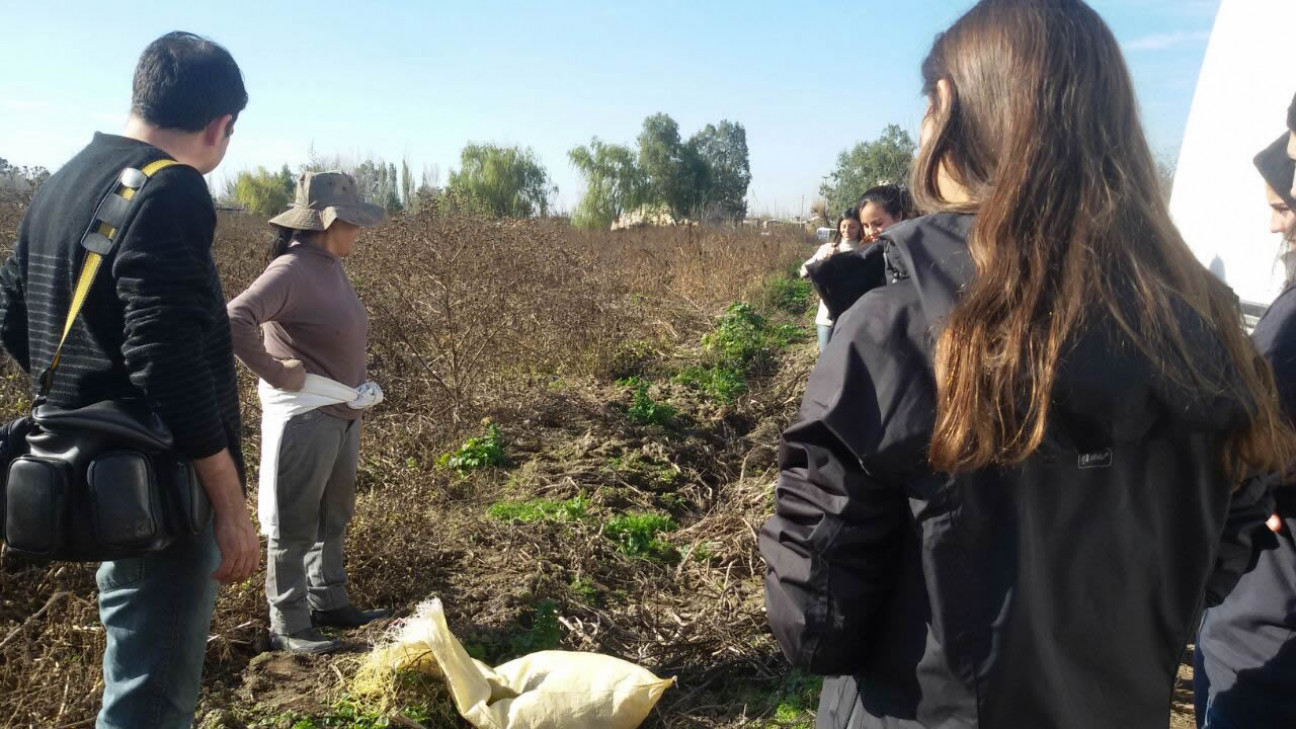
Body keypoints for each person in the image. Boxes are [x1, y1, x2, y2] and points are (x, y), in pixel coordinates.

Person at [758, 2, 1294, 728]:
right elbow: (1218, 564)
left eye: (927, 103)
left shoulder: (898, 332)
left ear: (952, 110)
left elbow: (813, 620)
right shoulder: (1212, 339)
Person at [0, 32, 258, 728]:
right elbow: (165, 358)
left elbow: (12, 314)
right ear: (219, 125)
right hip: (162, 487)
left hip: (103, 474)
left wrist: (86, 408)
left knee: (136, 671)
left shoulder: (64, 178)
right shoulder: (170, 187)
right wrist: (229, 502)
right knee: (151, 700)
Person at [227, 171, 388, 655]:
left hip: (340, 410)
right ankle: (290, 625)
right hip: (307, 414)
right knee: (296, 523)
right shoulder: (293, 269)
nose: (359, 231)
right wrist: (277, 371)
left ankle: (328, 600)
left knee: (333, 515)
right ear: (329, 221)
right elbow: (233, 318)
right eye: (353, 222)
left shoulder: (329, 262)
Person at [1193, 129, 1296, 728]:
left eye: (1282, 208)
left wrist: (1254, 475)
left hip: (1268, 638)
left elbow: (1253, 444)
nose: (1276, 227)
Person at [802, 208, 864, 352]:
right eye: (844, 226)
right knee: (826, 358)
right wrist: (823, 260)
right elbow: (804, 271)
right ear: (839, 227)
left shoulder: (866, 250)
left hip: (854, 317)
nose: (847, 230)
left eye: (852, 226)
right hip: (826, 317)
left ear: (860, 227)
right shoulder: (828, 248)